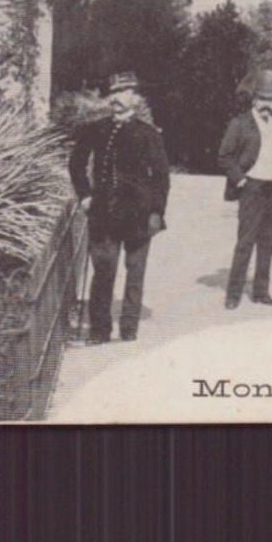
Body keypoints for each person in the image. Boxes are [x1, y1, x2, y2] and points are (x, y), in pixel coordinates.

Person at [68, 72, 170, 343]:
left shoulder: (149, 134)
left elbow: (161, 177)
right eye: (114, 92)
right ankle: (100, 330)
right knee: (103, 271)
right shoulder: (95, 129)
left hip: (138, 214)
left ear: (136, 98)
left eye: (124, 92)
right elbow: (76, 163)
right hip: (103, 213)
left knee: (135, 273)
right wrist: (85, 195)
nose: (117, 98)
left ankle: (129, 329)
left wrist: (157, 211)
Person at [217, 69, 272, 309]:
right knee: (245, 242)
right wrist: (241, 181)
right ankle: (233, 294)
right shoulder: (240, 123)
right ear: (253, 98)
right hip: (253, 188)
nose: (266, 104)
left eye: (270, 99)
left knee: (268, 242)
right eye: (262, 98)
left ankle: (261, 291)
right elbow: (224, 157)